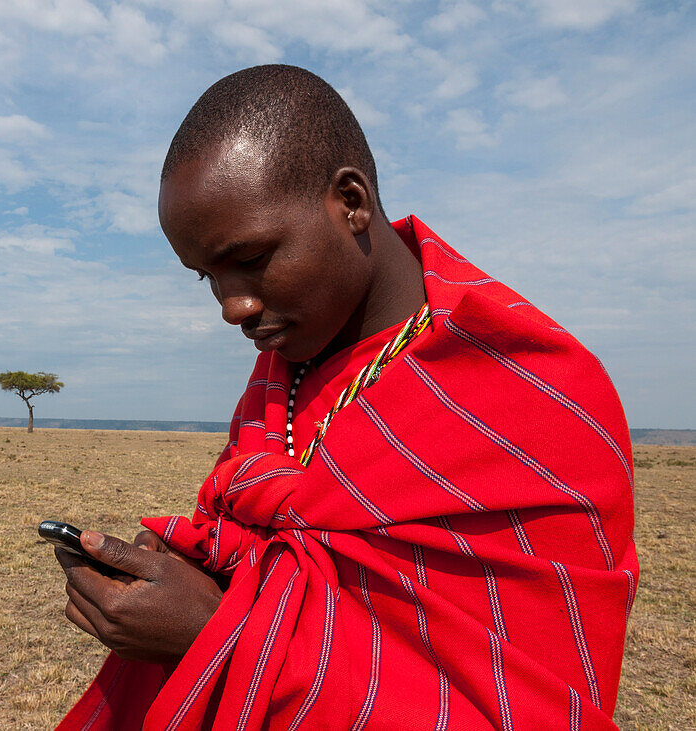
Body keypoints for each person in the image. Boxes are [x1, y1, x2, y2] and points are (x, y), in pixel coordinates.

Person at [53, 65, 637, 730]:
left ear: (352, 202)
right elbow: (271, 558)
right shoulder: (283, 374)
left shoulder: (535, 395)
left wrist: (218, 633)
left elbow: (525, 711)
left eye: (250, 258)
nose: (232, 305)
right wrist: (180, 582)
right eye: (206, 278)